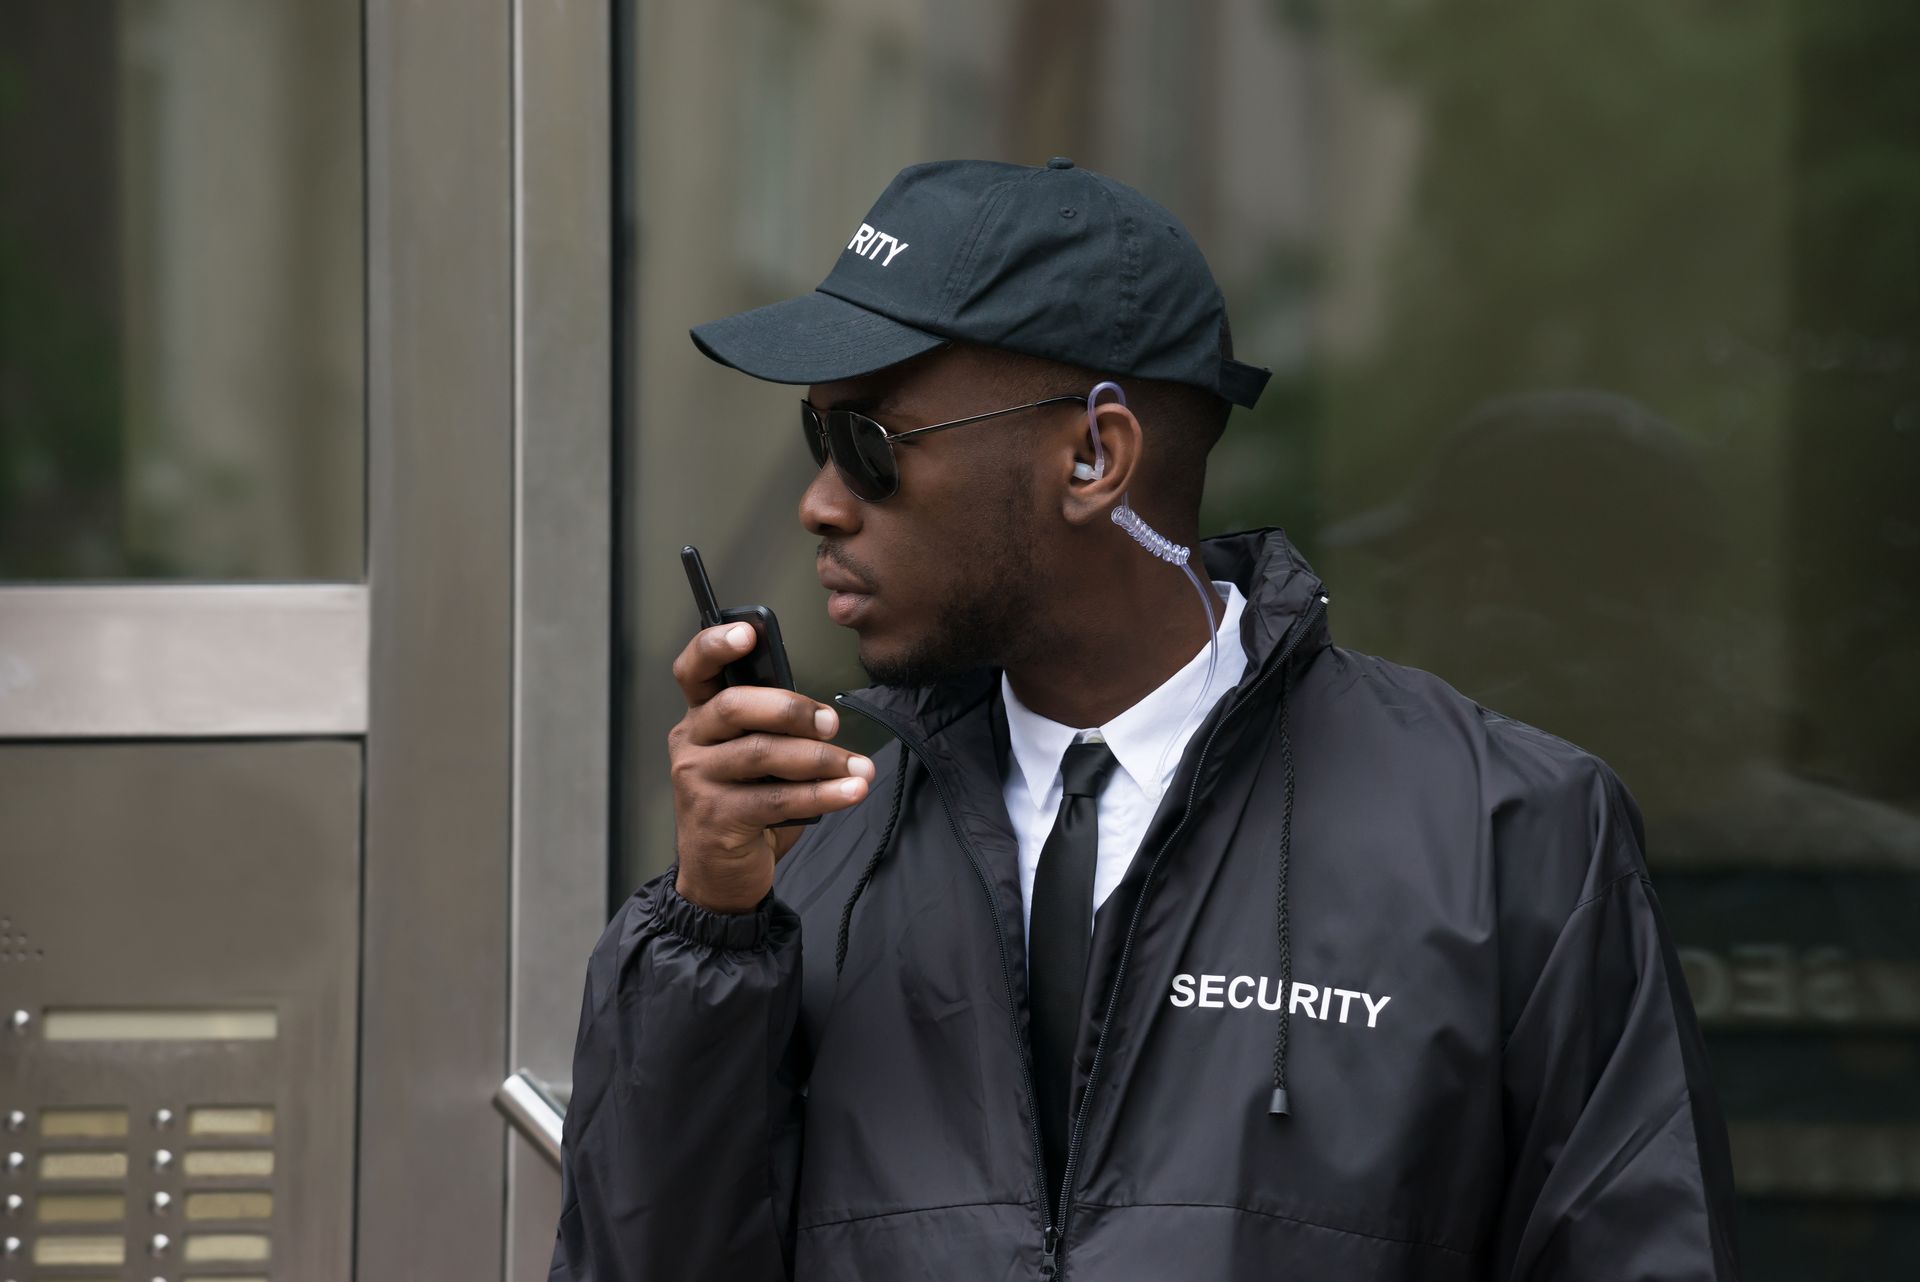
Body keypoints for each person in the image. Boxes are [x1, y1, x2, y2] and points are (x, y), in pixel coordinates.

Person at [547, 158, 1741, 1281]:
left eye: (868, 445)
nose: (819, 504)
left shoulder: (1507, 835)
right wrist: (713, 932)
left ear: (1094, 460)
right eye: (817, 439)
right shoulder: (805, 857)